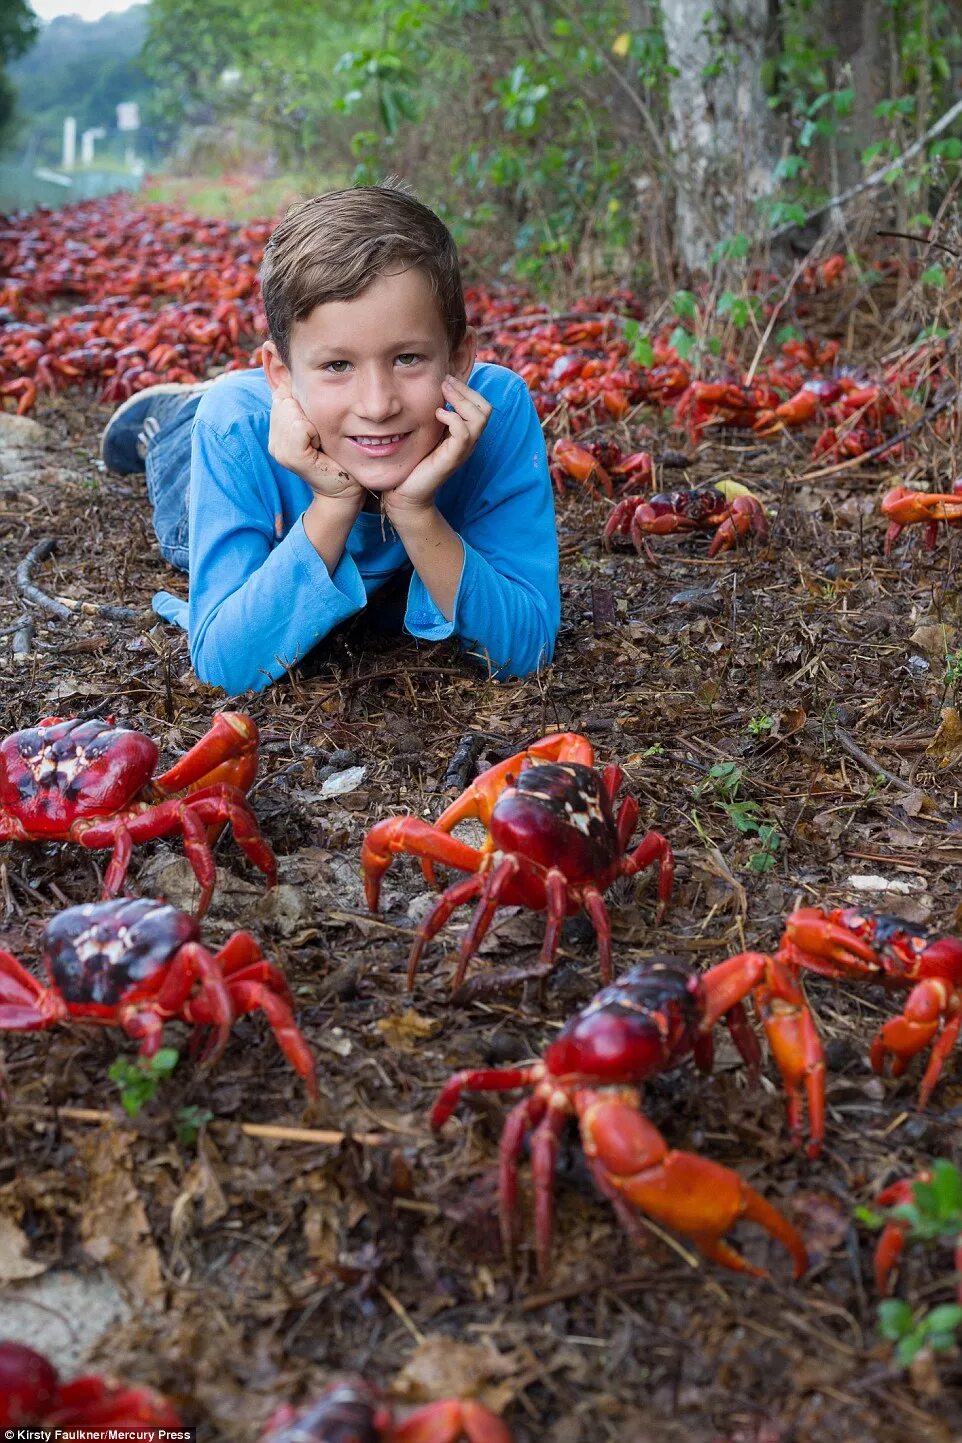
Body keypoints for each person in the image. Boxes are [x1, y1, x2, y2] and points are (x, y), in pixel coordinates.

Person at [100, 184, 560, 695]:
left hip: (329, 433)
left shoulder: (496, 408)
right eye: (338, 365)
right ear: (281, 373)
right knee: (182, 525)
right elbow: (225, 666)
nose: (378, 404)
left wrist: (414, 511)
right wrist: (333, 502)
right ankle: (172, 415)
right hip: (254, 446)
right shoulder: (234, 430)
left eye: (408, 358)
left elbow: (529, 645)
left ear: (457, 359)